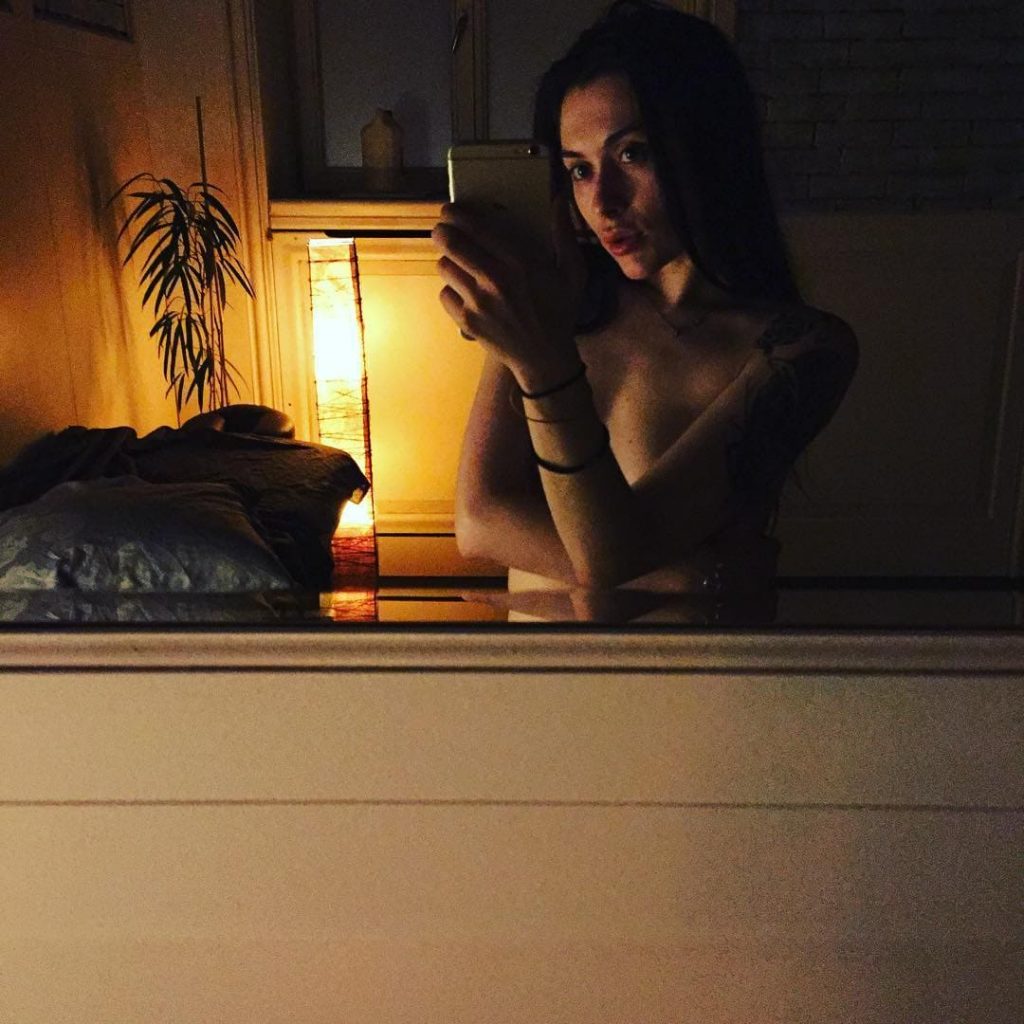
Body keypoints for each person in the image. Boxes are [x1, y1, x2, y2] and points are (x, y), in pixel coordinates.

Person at [431, 0, 858, 607]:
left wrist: (545, 366)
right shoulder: (554, 303)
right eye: (579, 170)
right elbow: (479, 522)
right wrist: (692, 576)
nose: (603, 201)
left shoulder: (800, 348)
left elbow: (609, 555)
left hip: (681, 662)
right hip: (536, 660)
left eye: (632, 153)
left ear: (707, 150)